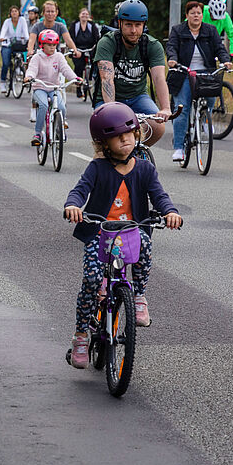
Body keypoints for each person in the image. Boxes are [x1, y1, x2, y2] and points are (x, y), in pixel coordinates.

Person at [63, 102, 182, 368]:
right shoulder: (97, 168)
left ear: (137, 134)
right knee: (92, 280)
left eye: (129, 133)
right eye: (117, 136)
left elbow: (160, 196)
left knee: (146, 242)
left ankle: (138, 296)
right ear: (104, 143)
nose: (125, 139)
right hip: (100, 233)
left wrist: (170, 212)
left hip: (130, 232)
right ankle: (81, 335)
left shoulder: (145, 169)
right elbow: (80, 190)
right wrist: (73, 205)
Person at [93, 0, 171, 146]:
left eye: (138, 25)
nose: (133, 30)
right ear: (120, 24)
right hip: (109, 99)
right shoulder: (108, 43)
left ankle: (137, 154)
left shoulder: (152, 45)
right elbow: (107, 79)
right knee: (107, 139)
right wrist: (112, 110)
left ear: (144, 25)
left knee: (158, 127)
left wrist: (165, 108)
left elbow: (159, 78)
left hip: (138, 97)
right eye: (128, 25)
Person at [166, 0, 232, 162]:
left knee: (210, 99)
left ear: (203, 15)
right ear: (186, 15)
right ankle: (179, 148)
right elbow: (172, 47)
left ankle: (204, 118)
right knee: (183, 108)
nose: (196, 16)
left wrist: (225, 61)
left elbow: (219, 48)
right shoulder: (178, 30)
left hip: (206, 73)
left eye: (199, 13)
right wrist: (172, 59)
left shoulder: (210, 30)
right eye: (193, 13)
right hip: (184, 73)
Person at [25, 29, 81, 146]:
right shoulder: (37, 57)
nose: (52, 47)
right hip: (40, 87)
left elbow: (66, 70)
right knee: (44, 105)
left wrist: (75, 79)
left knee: (62, 107)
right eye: (49, 45)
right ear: (42, 45)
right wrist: (29, 77)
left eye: (54, 45)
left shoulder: (59, 56)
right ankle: (37, 134)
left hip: (54, 88)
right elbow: (32, 69)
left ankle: (60, 129)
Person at [68, 8, 100, 96]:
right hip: (78, 49)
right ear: (79, 15)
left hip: (90, 48)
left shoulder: (92, 25)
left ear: (89, 16)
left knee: (94, 63)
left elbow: (96, 37)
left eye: (86, 14)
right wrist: (74, 49)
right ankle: (78, 87)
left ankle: (89, 80)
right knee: (78, 66)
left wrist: (96, 46)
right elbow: (70, 38)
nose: (84, 16)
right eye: (83, 14)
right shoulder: (75, 25)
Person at [0, 5, 30, 91]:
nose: (14, 13)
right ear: (10, 13)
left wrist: (26, 38)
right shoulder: (7, 22)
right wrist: (2, 37)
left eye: (16, 11)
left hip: (19, 44)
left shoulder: (22, 20)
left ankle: (18, 69)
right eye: (12, 11)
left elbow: (25, 32)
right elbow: (3, 32)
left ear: (19, 12)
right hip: (8, 44)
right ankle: (3, 82)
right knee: (6, 63)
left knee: (23, 57)